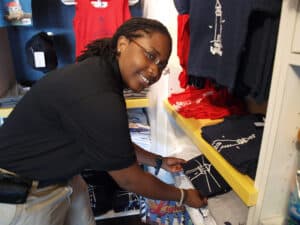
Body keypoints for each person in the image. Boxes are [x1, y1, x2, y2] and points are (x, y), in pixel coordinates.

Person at [0, 17, 207, 225]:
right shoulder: (99, 95)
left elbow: (112, 144)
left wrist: (157, 160)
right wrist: (184, 196)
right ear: (122, 44)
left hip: (62, 178)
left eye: (161, 65)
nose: (155, 71)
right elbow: (129, 179)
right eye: (150, 56)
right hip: (24, 195)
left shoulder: (98, 72)